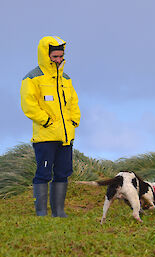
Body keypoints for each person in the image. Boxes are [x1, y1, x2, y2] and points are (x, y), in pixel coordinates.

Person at [20, 36, 81, 217]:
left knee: (63, 173)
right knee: (43, 174)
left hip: (65, 136)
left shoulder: (66, 79)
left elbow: (73, 103)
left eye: (60, 56)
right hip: (45, 137)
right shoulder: (32, 78)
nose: (58, 60)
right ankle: (41, 213)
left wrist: (74, 121)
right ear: (45, 55)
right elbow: (28, 105)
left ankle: (59, 212)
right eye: (54, 56)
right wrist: (46, 121)